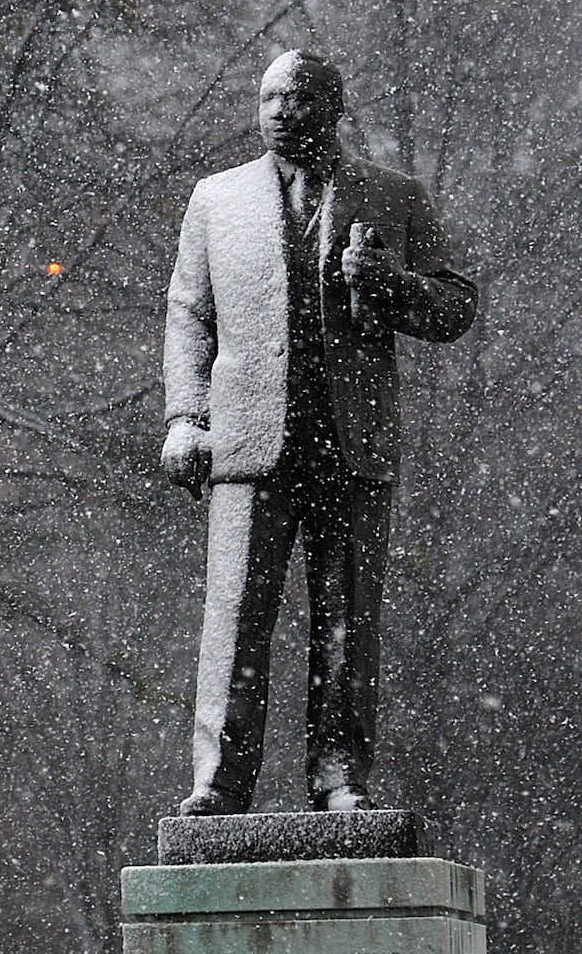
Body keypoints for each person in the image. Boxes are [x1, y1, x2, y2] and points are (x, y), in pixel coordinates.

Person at [161, 50, 477, 816]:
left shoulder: (394, 195)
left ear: (330, 106)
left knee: (346, 624)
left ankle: (338, 780)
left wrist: (389, 285)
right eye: (267, 97)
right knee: (234, 620)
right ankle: (218, 783)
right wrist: (183, 417)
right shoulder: (216, 198)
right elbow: (187, 315)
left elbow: (454, 307)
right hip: (243, 444)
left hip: (350, 441)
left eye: (294, 97)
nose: (276, 110)